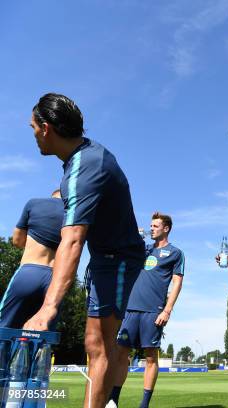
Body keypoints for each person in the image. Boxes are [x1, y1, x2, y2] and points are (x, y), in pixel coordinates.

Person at [24, 93, 145, 408]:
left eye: (33, 127)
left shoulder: (85, 166)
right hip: (103, 259)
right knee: (94, 344)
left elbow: (73, 239)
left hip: (118, 259)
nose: (33, 133)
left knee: (102, 344)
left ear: (47, 128)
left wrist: (48, 308)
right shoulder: (79, 161)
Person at [109, 212, 185, 408]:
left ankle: (144, 405)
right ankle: (113, 401)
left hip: (154, 311)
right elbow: (122, 251)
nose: (151, 228)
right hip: (131, 309)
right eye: (151, 226)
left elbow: (177, 283)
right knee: (120, 354)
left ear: (166, 228)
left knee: (150, 357)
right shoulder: (144, 250)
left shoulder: (175, 253)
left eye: (155, 226)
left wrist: (167, 310)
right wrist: (135, 237)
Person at [0, 190, 63, 328]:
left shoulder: (34, 203)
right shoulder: (74, 215)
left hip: (30, 271)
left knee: (3, 328)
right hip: (56, 279)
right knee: (43, 334)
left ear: (53, 195)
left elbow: (17, 240)